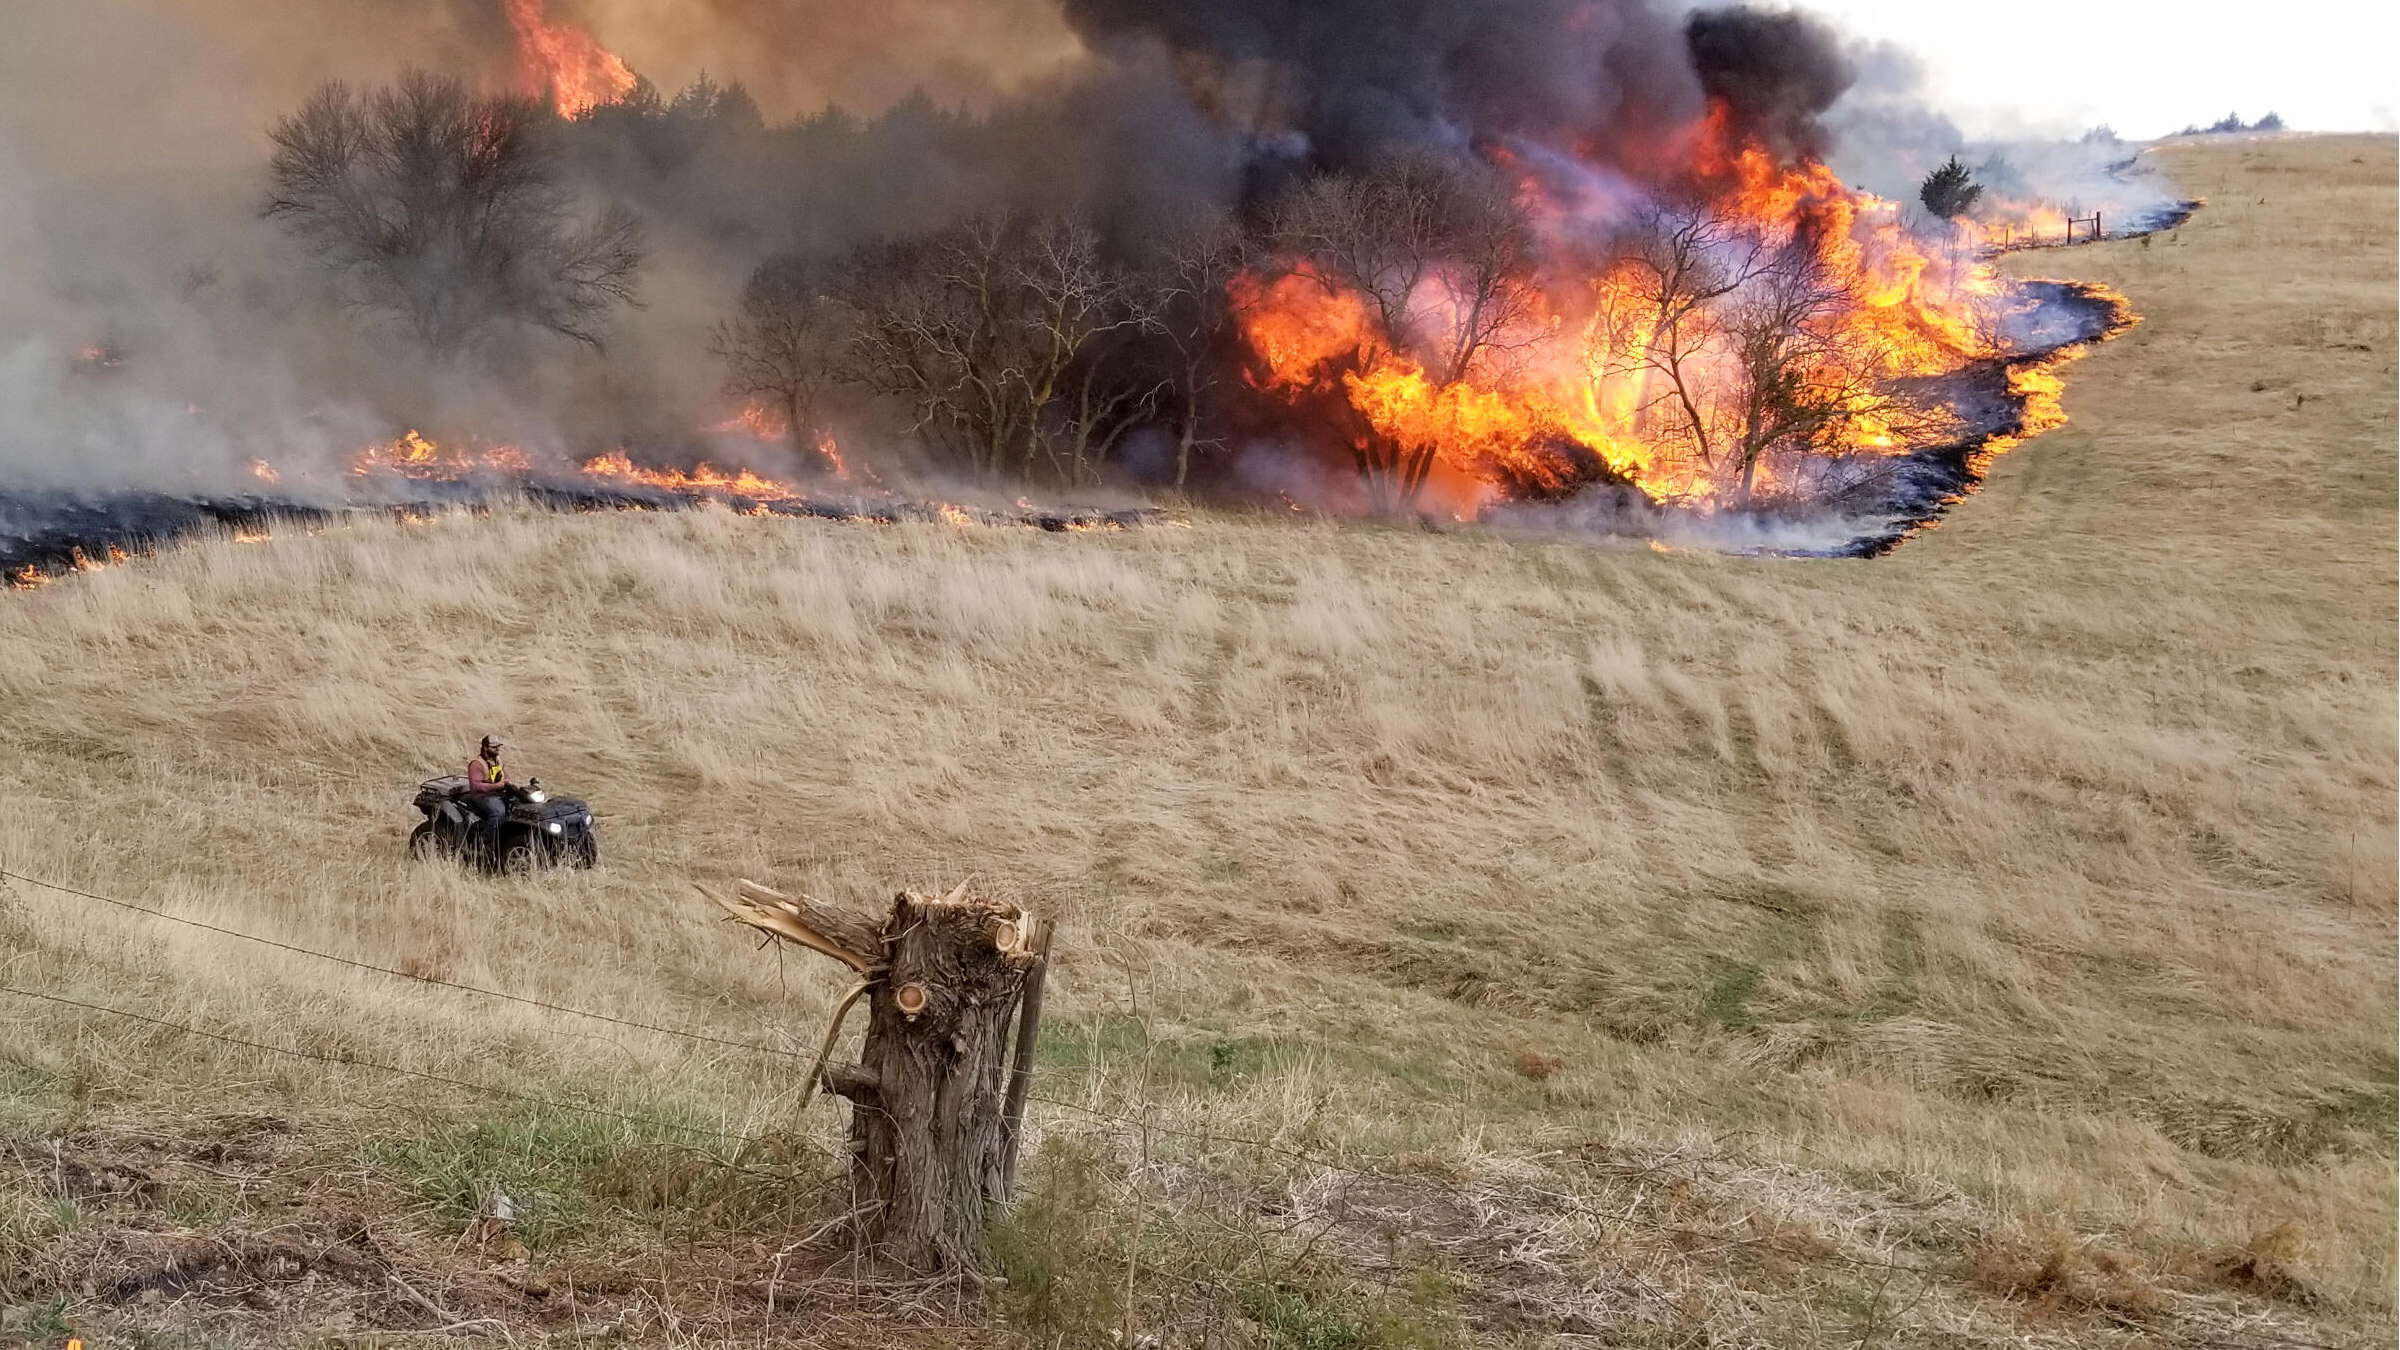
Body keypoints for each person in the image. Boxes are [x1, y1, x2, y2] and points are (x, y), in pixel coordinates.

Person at [462, 735, 511, 851]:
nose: (497, 750)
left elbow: (505, 775)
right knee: (498, 811)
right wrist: (497, 786)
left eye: (498, 747)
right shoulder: (476, 764)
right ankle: (485, 841)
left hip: (498, 793)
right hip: (482, 797)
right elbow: (476, 786)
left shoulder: (497, 760)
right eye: (494, 747)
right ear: (485, 747)